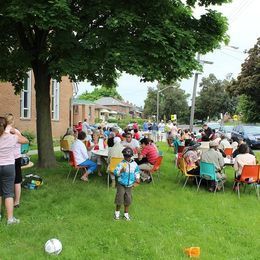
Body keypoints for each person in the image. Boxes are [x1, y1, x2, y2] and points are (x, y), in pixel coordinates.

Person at [0, 116, 28, 224]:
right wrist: (14, 132)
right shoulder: (12, 137)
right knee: (8, 193)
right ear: (7, 125)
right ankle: (10, 219)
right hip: (8, 166)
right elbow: (25, 140)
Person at [5, 113, 29, 209]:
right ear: (13, 121)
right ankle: (16, 202)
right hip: (15, 158)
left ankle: (7, 199)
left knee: (6, 181)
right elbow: (25, 141)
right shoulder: (16, 132)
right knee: (17, 180)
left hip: (6, 159)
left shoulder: (3, 132)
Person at [113, 147, 140, 221]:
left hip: (130, 184)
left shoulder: (134, 164)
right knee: (119, 197)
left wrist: (137, 178)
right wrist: (121, 171)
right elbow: (115, 172)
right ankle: (117, 213)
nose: (126, 158)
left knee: (128, 199)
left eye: (128, 156)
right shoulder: (121, 164)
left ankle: (126, 214)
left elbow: (137, 171)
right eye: (125, 156)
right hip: (121, 183)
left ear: (131, 156)